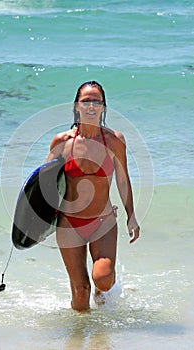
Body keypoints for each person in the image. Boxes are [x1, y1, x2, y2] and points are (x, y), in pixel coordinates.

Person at [47, 81, 140, 311]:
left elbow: (122, 179)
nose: (91, 105)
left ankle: (101, 293)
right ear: (76, 106)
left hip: (102, 222)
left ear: (103, 107)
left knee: (103, 280)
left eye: (96, 101)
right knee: (81, 294)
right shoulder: (62, 142)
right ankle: (82, 341)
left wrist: (131, 215)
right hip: (69, 224)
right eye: (85, 101)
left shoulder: (114, 140)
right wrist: (35, 225)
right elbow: (44, 186)